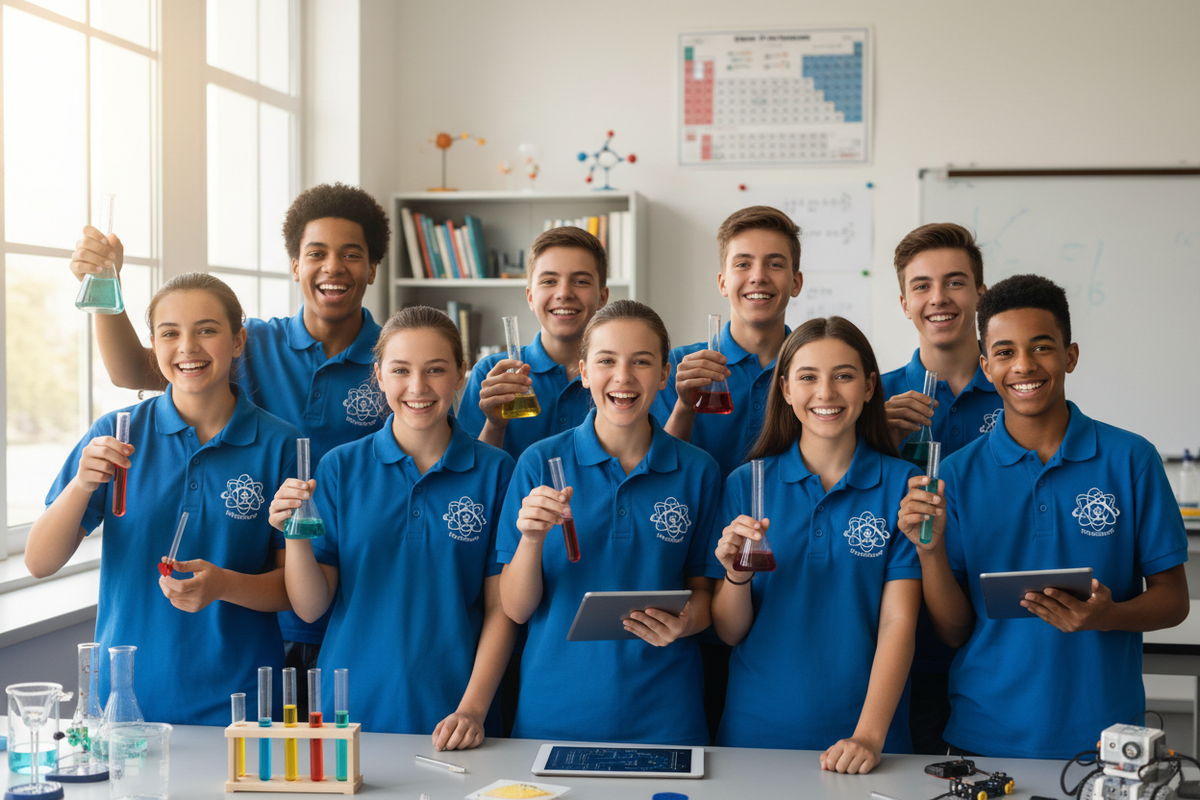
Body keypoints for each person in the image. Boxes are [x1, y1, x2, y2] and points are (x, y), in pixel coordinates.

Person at [68, 183, 393, 700]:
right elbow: (140, 368)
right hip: (265, 620)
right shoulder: (251, 341)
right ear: (294, 266)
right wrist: (107, 286)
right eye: (316, 253)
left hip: (366, 606)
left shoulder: (397, 360)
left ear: (373, 267)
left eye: (351, 254)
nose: (333, 267)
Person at [899, 274, 1189, 759]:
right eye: (1006, 352)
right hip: (983, 736)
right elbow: (953, 630)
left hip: (1105, 739)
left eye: (1042, 347)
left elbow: (1174, 600)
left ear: (1070, 356)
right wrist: (929, 551)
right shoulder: (957, 473)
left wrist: (1109, 615)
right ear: (986, 366)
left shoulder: (1131, 459)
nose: (1024, 366)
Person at [27, 273, 297, 725]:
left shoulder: (280, 445)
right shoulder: (115, 434)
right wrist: (80, 485)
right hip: (126, 703)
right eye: (170, 333)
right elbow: (38, 562)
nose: (187, 347)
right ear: (153, 344)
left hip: (240, 707)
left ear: (237, 341)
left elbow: (296, 589)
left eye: (207, 329)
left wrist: (223, 585)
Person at [269, 306, 516, 746]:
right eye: (401, 370)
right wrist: (295, 536)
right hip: (347, 717)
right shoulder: (340, 468)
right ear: (379, 375)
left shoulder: (497, 472)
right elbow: (309, 607)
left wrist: (473, 709)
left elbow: (503, 609)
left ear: (461, 373)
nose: (418, 387)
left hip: (454, 715)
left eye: (435, 370)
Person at [497, 300, 721, 745]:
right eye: (606, 361)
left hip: (666, 717)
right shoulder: (539, 463)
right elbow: (516, 608)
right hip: (553, 711)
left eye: (641, 362)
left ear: (663, 375)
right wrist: (531, 539)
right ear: (584, 372)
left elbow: (708, 597)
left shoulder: (698, 471)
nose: (623, 377)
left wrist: (685, 620)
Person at [710, 317, 921, 772]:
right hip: (754, 737)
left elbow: (898, 621)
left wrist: (868, 734)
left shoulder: (904, 486)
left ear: (868, 387)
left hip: (870, 742)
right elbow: (729, 631)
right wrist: (737, 575)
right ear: (785, 389)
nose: (825, 393)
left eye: (843, 375)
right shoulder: (745, 484)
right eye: (808, 377)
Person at [879, 222, 1002, 753]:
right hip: (895, 647)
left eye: (955, 282)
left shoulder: (1018, 392)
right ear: (904, 301)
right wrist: (875, 440)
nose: (939, 298)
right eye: (922, 286)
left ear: (979, 292)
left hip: (996, 641)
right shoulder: (869, 398)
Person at [459, 226, 634, 461]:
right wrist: (495, 424)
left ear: (602, 297)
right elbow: (469, 480)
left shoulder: (623, 378)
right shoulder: (490, 374)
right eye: (549, 280)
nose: (564, 293)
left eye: (580, 281)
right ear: (531, 297)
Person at [662, 205, 804, 480]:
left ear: (795, 282)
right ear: (723, 282)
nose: (758, 276)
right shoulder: (678, 366)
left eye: (775, 264)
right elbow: (657, 471)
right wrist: (684, 406)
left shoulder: (814, 370)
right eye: (743, 264)